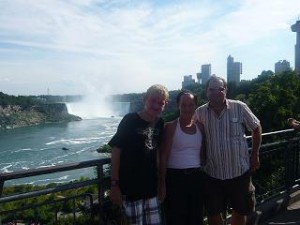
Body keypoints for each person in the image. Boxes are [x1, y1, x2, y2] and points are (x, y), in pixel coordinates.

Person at [194, 76, 262, 225]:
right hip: (212, 173)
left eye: (220, 89)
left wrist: (255, 155)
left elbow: (256, 128)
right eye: (211, 89)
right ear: (206, 91)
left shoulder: (239, 107)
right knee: (213, 212)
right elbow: (194, 137)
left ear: (226, 90)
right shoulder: (200, 113)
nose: (216, 92)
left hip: (239, 171)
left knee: (240, 210)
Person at [108, 84, 169, 225]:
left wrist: (161, 183)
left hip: (151, 189)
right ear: (144, 99)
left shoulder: (160, 123)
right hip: (130, 190)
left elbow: (158, 153)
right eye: (153, 100)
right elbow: (116, 150)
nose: (156, 105)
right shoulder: (129, 120)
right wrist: (114, 185)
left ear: (165, 105)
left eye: (161, 102)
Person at [159, 90, 206, 225]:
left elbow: (203, 154)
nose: (187, 108)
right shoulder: (171, 127)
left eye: (191, 105)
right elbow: (163, 156)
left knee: (196, 218)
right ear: (178, 105)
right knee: (176, 218)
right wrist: (162, 184)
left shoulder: (200, 127)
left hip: (196, 178)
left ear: (195, 106)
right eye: (183, 105)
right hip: (175, 179)